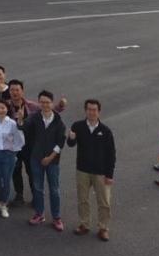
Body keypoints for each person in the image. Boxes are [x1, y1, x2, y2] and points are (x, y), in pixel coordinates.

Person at [7, 80, 67, 205]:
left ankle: (36, 197)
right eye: (12, 90)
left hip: (30, 145)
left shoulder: (31, 106)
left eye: (17, 90)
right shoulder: (6, 106)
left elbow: (48, 109)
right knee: (16, 170)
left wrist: (60, 105)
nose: (14, 92)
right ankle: (19, 196)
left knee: (31, 172)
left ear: (22, 91)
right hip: (13, 145)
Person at [65, 99, 116, 241]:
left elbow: (111, 154)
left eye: (94, 110)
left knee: (104, 202)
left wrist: (109, 175)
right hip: (82, 170)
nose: (91, 112)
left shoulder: (105, 131)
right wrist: (71, 138)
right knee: (83, 199)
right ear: (85, 110)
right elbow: (70, 144)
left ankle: (103, 228)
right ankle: (84, 224)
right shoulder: (78, 126)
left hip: (101, 172)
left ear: (99, 112)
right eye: (89, 109)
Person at [25, 90, 67, 231]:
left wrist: (50, 157)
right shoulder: (34, 118)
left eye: (47, 102)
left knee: (54, 189)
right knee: (38, 188)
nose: (44, 105)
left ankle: (56, 217)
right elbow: (24, 127)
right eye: (42, 102)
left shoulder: (58, 121)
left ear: (52, 103)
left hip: (52, 161)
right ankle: (39, 214)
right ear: (39, 103)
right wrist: (19, 120)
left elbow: (60, 142)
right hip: (36, 159)